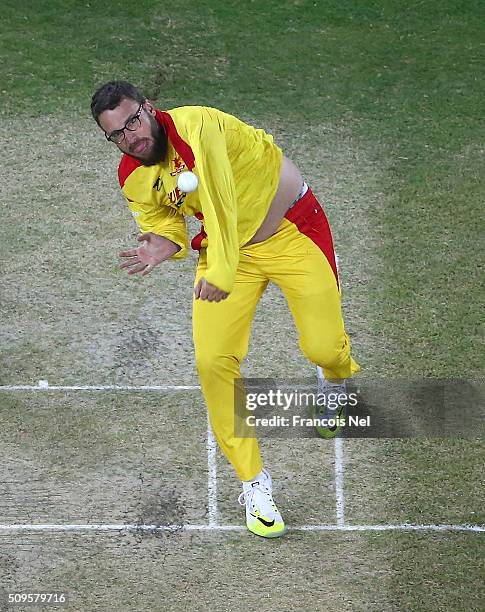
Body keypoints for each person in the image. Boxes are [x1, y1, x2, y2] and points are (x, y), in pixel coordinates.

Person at [91, 80, 360, 538]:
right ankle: (255, 484)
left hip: (293, 230)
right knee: (212, 361)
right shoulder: (133, 175)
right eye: (116, 134)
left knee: (324, 348)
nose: (130, 137)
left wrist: (221, 273)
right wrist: (167, 244)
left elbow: (218, 202)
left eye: (133, 121)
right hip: (224, 252)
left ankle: (335, 382)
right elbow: (163, 220)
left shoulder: (198, 128)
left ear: (149, 109)